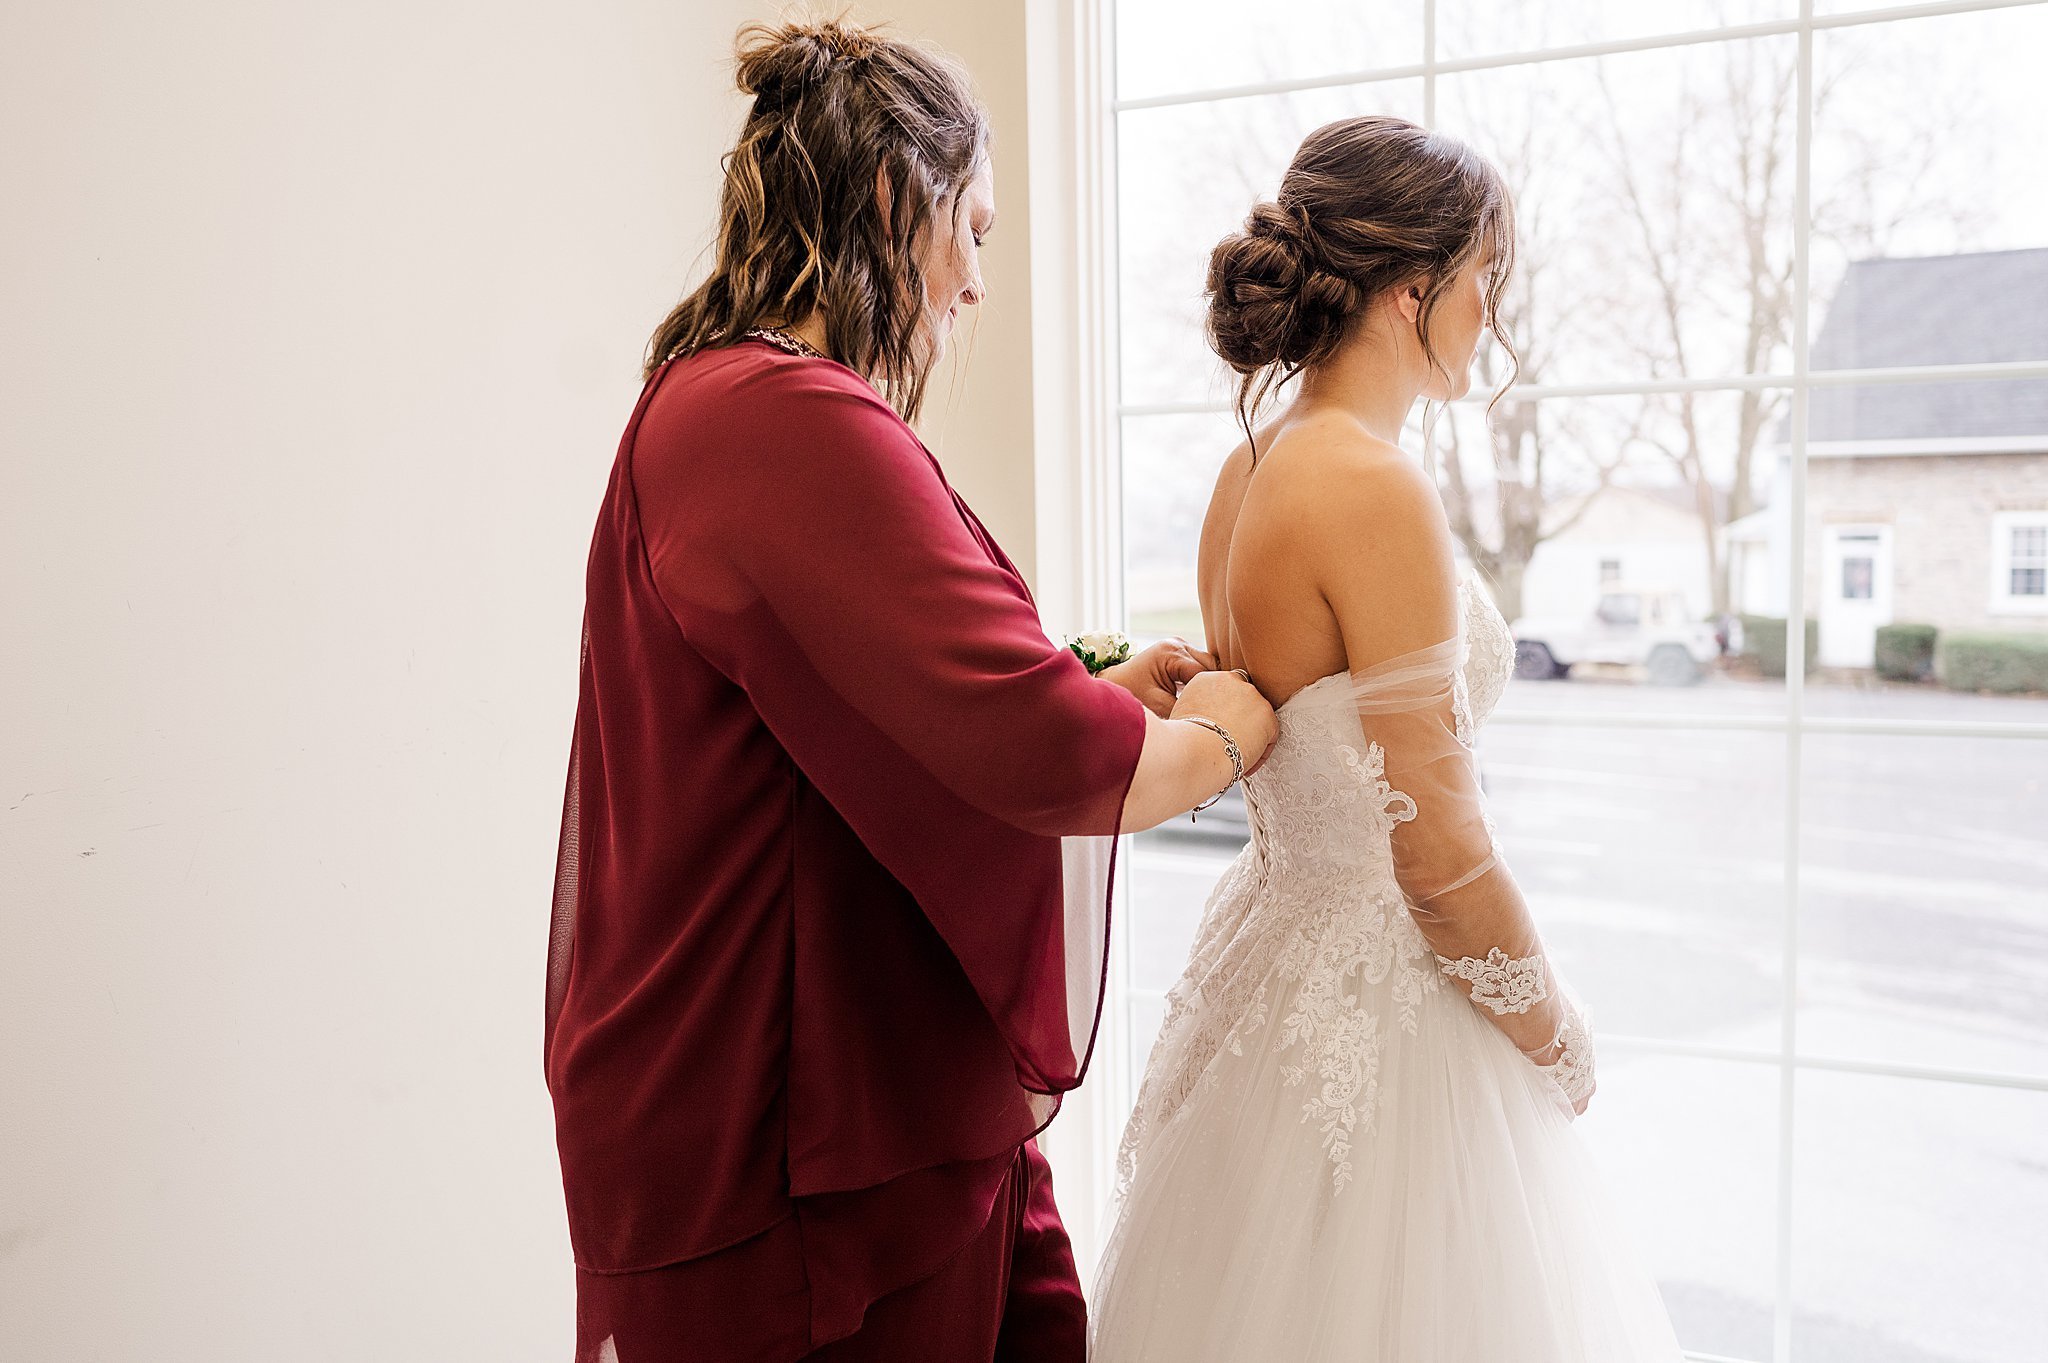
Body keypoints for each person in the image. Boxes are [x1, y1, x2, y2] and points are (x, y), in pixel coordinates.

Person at [542, 18, 1276, 1363]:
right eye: (977, 230)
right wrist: (1233, 731)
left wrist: (1101, 672)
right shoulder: (785, 421)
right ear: (896, 198)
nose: (980, 283)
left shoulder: (721, 402)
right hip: (796, 1127)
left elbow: (865, 691)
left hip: (889, 1091)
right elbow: (1049, 751)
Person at [1091, 115, 1684, 1361]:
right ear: (1414, 292)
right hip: (1385, 1001)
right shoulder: (1367, 485)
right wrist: (1550, 1031)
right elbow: (1437, 849)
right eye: (1485, 283)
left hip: (1270, 965)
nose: (1493, 319)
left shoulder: (1245, 471)